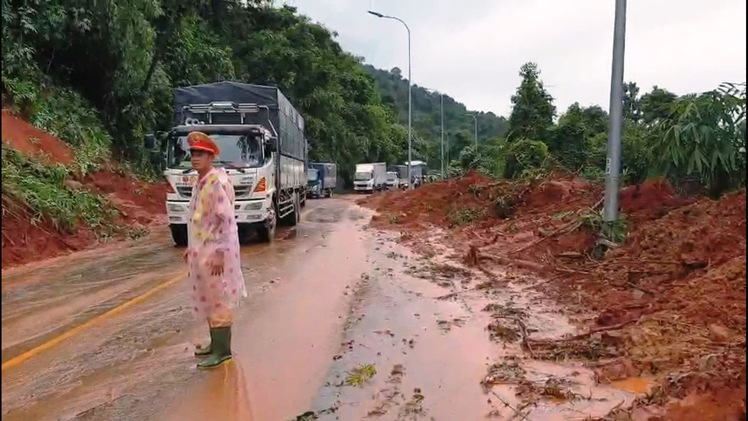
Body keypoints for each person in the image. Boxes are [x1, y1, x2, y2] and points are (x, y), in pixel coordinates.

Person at [184, 131, 247, 369]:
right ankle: (214, 344)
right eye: (193, 153)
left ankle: (223, 351)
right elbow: (200, 222)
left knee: (219, 300)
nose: (195, 158)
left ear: (211, 157)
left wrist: (221, 252)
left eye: (200, 154)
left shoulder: (216, 184)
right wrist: (191, 248)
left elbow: (227, 222)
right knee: (209, 299)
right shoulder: (201, 183)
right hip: (203, 252)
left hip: (215, 255)